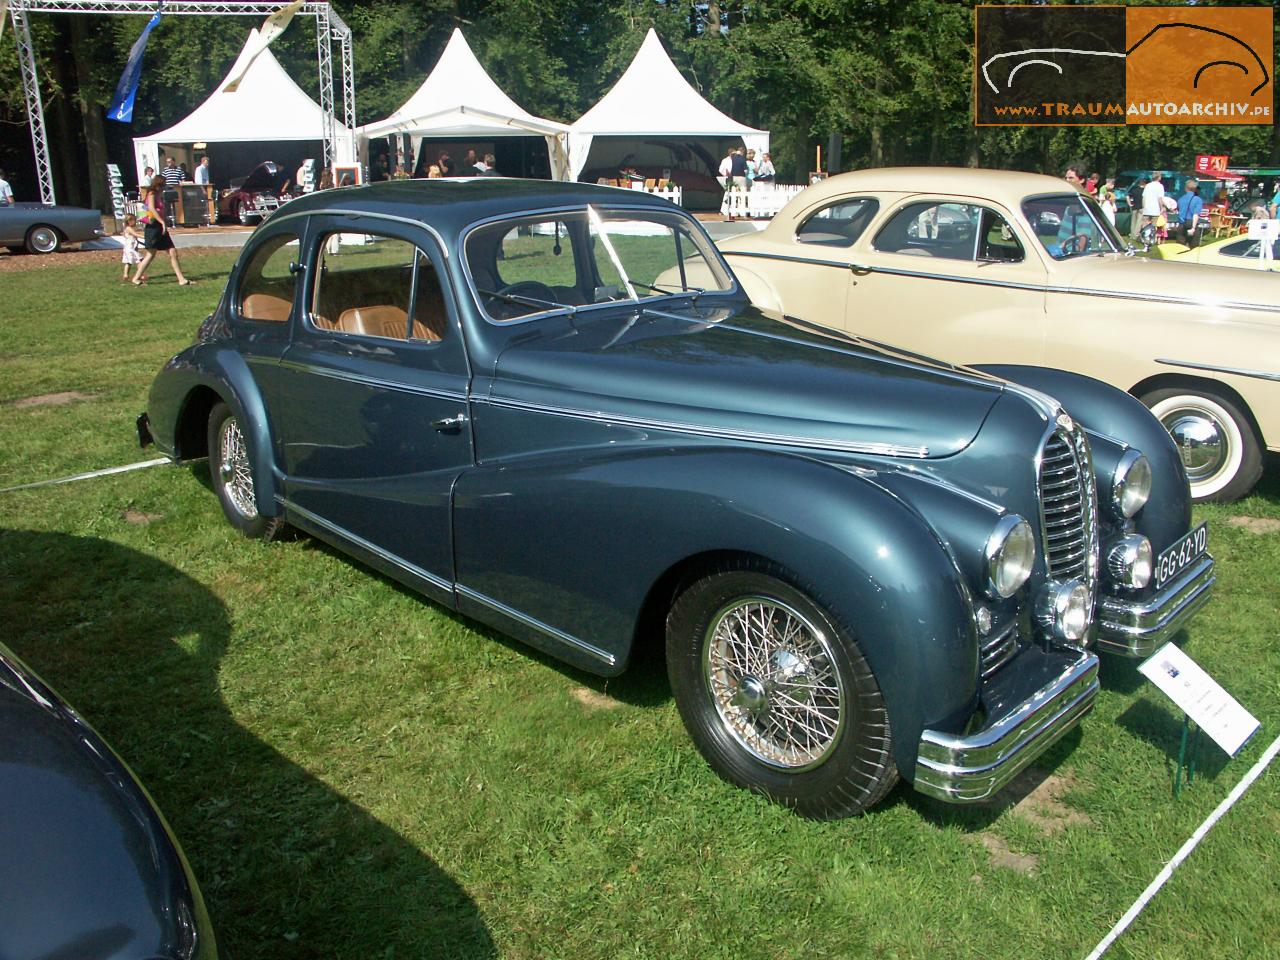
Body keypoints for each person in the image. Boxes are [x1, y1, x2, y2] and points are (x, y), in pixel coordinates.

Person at [133, 175, 193, 286]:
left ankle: (181, 279)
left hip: (160, 227)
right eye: (163, 184)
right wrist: (162, 222)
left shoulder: (158, 194)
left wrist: (163, 223)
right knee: (151, 254)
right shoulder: (151, 193)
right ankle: (136, 278)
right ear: (158, 184)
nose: (164, 186)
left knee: (172, 252)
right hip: (153, 227)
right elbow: (151, 208)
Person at [1176, 179, 1204, 248]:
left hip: (1181, 224)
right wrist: (1193, 227)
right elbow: (1196, 214)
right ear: (1195, 189)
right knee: (1194, 247)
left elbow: (1179, 211)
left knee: (1180, 248)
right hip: (1191, 223)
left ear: (1186, 188)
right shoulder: (1198, 200)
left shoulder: (1180, 199)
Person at [1140, 171, 1165, 238]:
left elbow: (1144, 197)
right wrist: (1161, 207)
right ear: (1159, 177)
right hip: (1155, 209)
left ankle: (1144, 238)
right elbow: (1160, 199)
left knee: (1145, 225)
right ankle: (1151, 238)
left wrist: (1143, 207)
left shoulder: (1148, 185)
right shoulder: (1160, 186)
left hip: (1147, 209)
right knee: (1153, 226)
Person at [120, 213, 143, 281]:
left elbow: (132, 238)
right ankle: (141, 275)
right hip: (131, 249)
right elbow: (135, 234)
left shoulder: (126, 229)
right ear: (129, 221)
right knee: (139, 261)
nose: (135, 222)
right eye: (134, 220)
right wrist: (146, 237)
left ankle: (126, 275)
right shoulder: (129, 228)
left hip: (128, 248)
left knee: (129, 262)